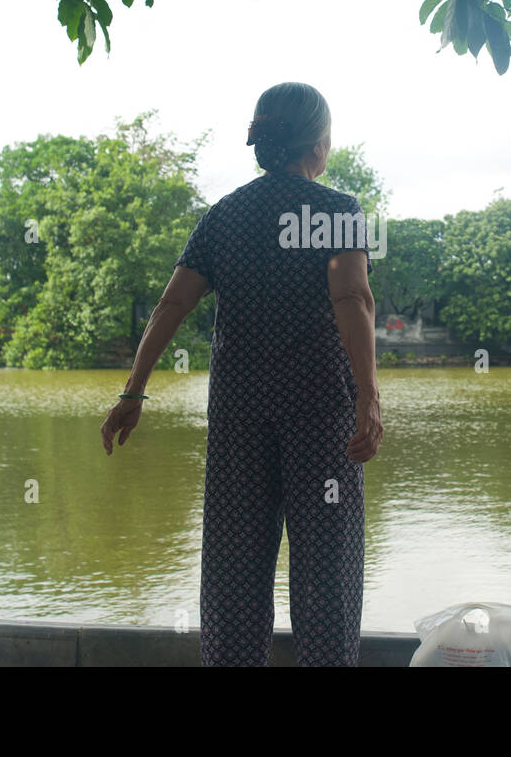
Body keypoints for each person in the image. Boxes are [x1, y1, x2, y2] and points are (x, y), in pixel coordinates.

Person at [101, 81, 382, 666]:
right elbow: (351, 299)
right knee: (326, 573)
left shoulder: (226, 215)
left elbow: (171, 305)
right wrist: (369, 400)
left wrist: (135, 390)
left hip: (239, 421)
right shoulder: (335, 211)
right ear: (319, 145)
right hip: (321, 420)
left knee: (233, 575)